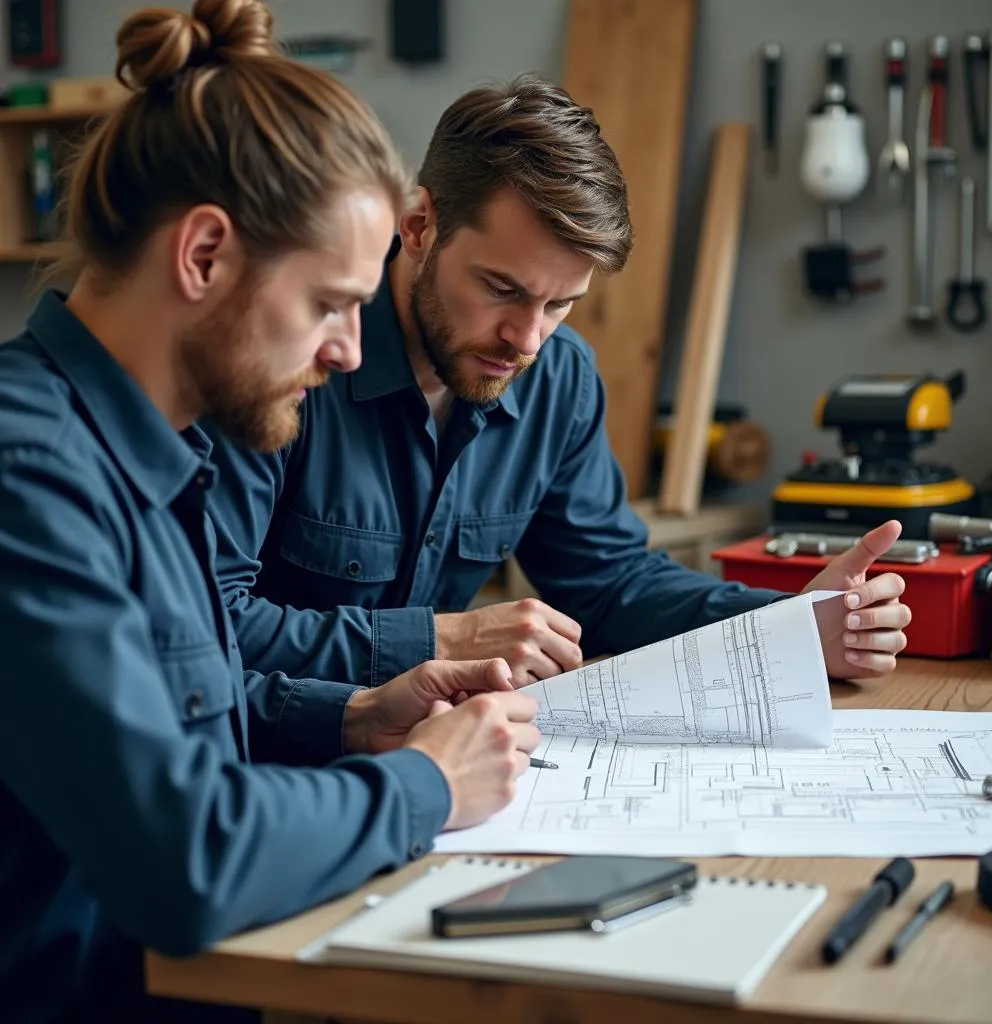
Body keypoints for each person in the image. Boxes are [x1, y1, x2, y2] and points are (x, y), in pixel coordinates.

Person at [0, 3, 541, 1021]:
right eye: (330, 303)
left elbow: (160, 722)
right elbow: (183, 851)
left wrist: (353, 714)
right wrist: (427, 784)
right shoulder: (29, 475)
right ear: (203, 255)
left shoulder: (157, 448)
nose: (346, 350)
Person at [205, 73, 911, 694]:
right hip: (266, 758)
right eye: (501, 288)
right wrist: (442, 641)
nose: (528, 339)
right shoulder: (289, 359)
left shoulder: (559, 380)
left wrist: (789, 628)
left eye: (560, 303)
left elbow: (608, 586)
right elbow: (212, 624)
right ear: (420, 226)